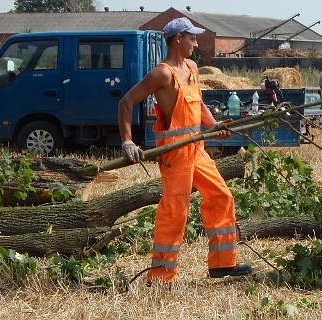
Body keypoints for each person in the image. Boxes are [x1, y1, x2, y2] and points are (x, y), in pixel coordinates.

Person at [117, 17, 252, 283]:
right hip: (175, 154)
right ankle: (161, 276)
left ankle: (222, 264)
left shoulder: (191, 67)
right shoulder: (162, 73)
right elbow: (126, 101)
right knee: (175, 210)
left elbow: (198, 103)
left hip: (197, 149)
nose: (196, 43)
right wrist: (127, 141)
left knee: (222, 196)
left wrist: (213, 125)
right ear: (178, 39)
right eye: (192, 38)